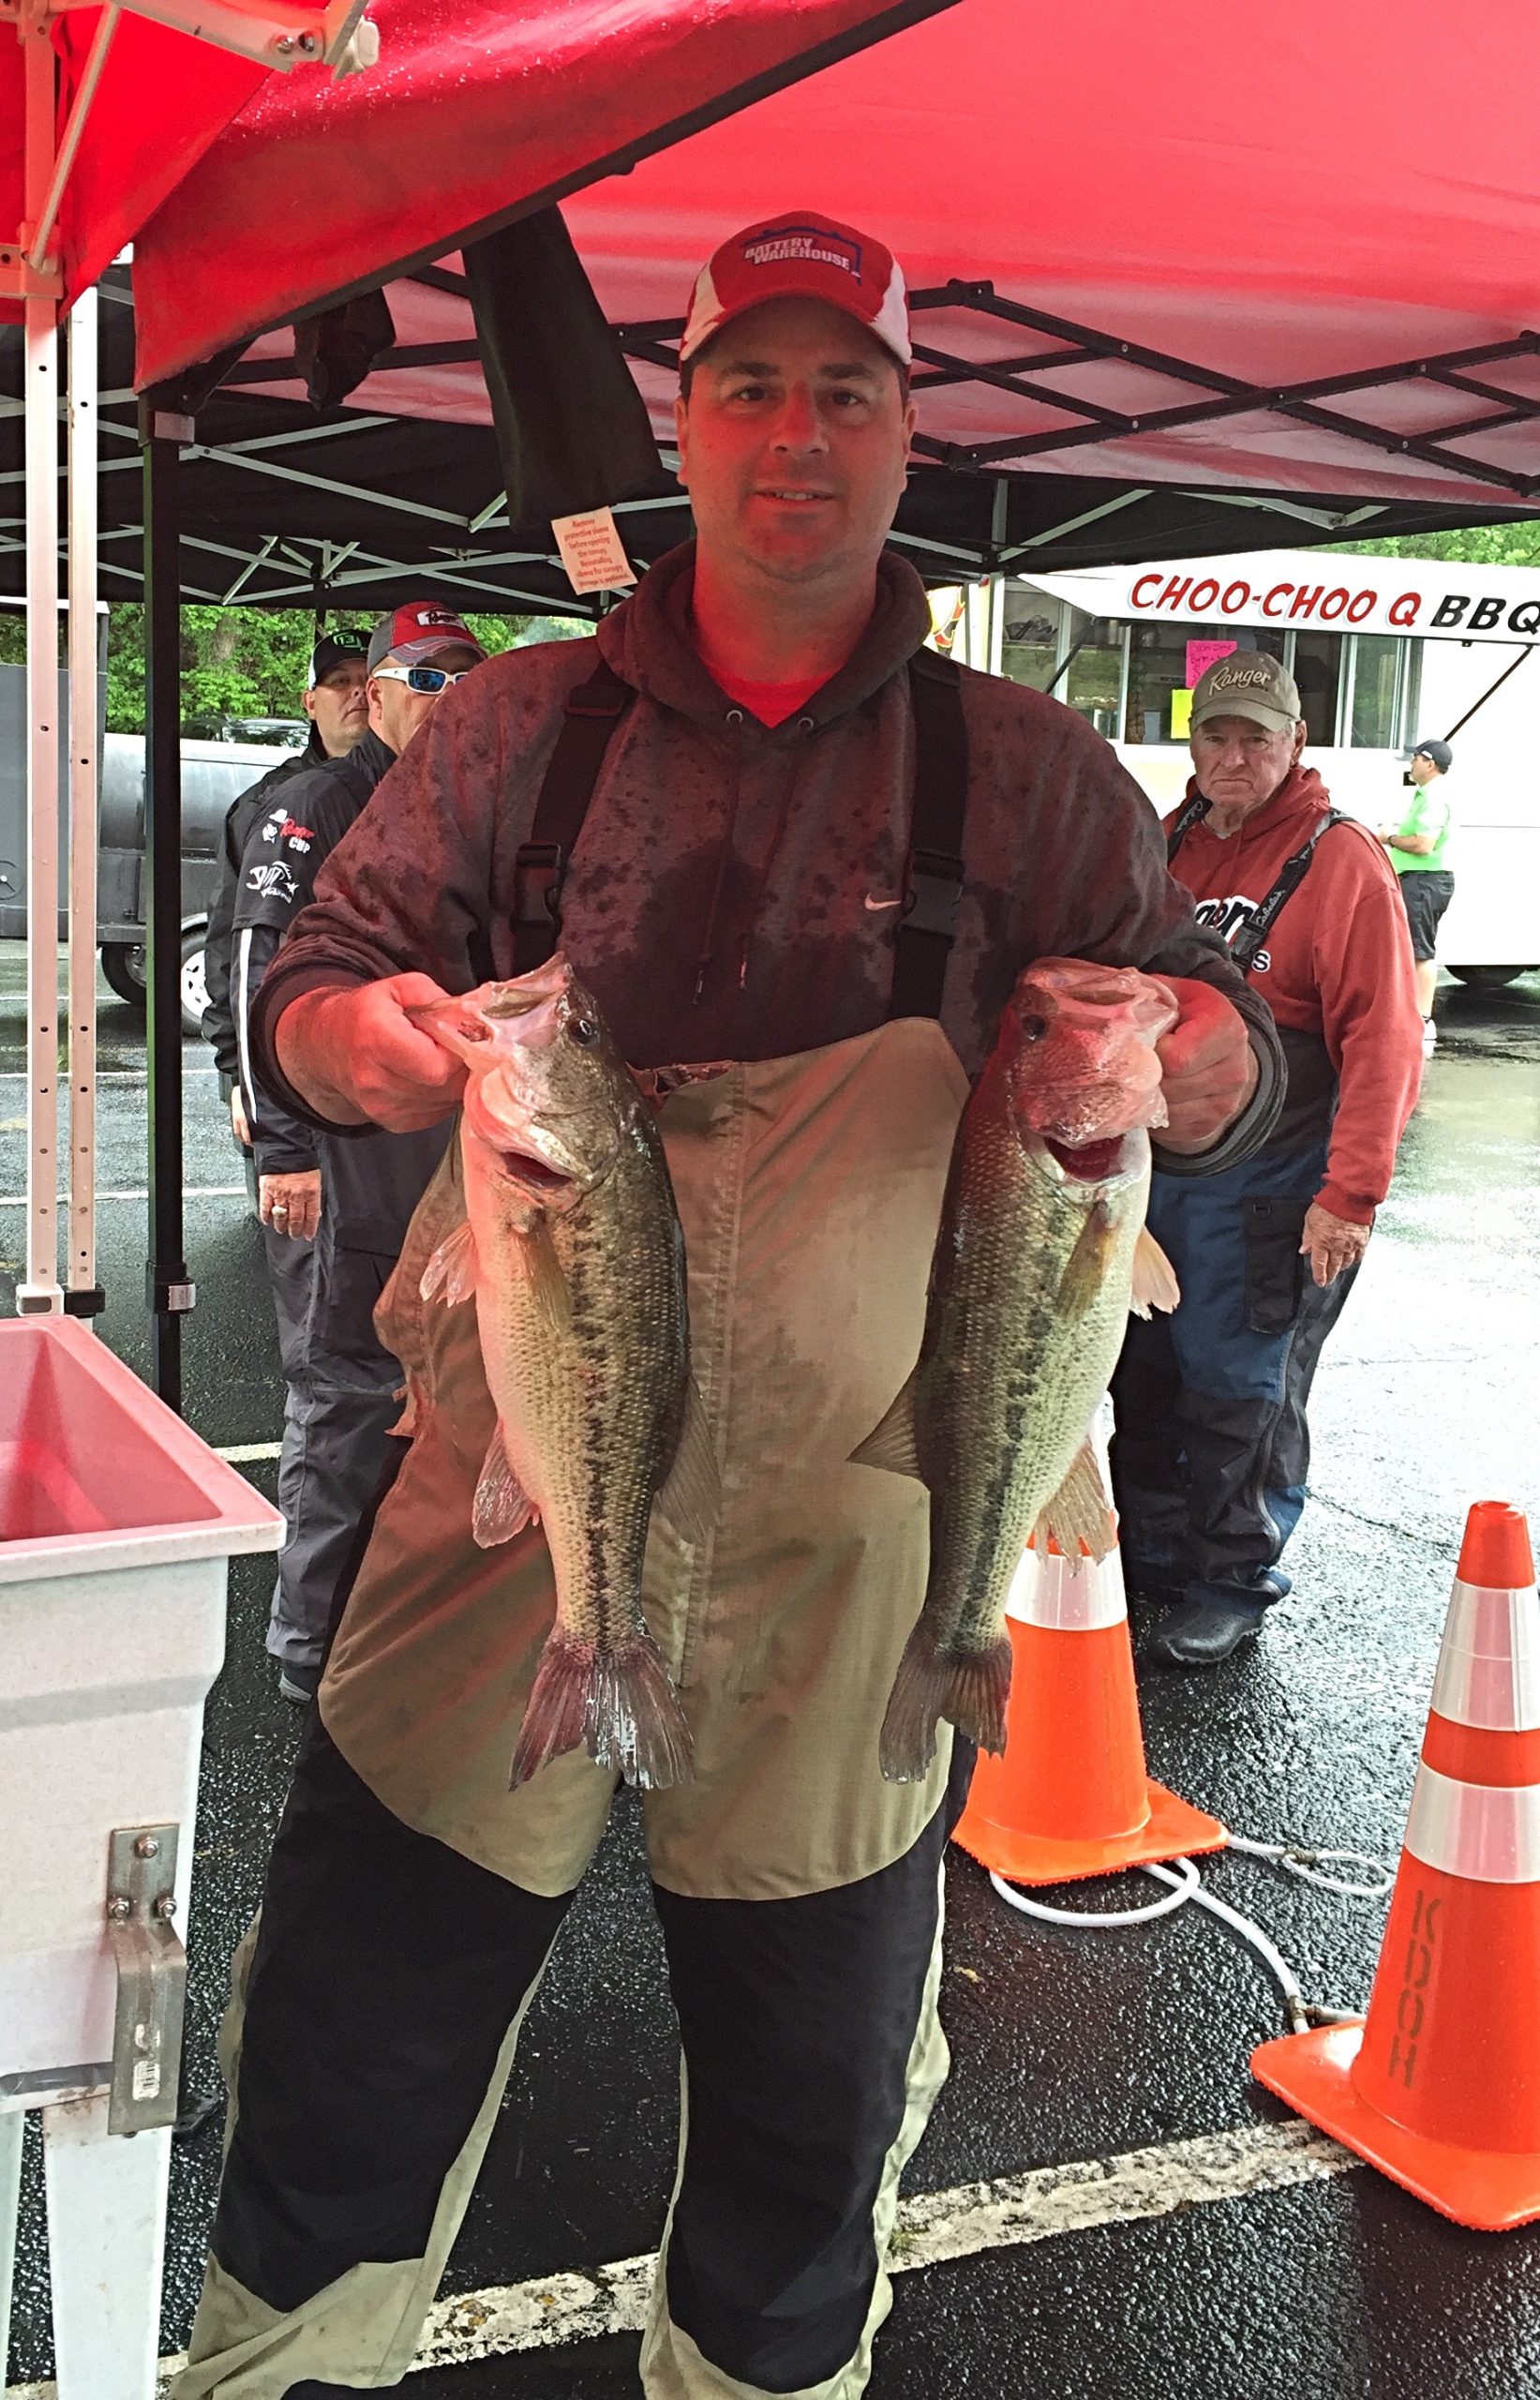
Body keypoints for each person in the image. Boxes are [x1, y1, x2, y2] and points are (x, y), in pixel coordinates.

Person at [174, 214, 1285, 2400]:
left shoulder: (1024, 770)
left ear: (904, 433)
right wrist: (349, 1039)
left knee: (809, 2089)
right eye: (748, 387)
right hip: (506, 1500)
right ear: (681, 425)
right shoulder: (516, 727)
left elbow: (1224, 1043)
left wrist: (1188, 1057)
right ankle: (283, 2364)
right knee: (348, 2034)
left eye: (841, 390)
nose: (795, 433)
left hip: (855, 1542)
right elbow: (313, 975)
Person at [1112, 650, 1424, 1670]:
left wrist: (1350, 1196)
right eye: (1216, 735)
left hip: (1276, 1185)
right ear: (1191, 743)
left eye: (1256, 737)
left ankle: (1230, 1581)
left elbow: (1383, 1039)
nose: (1234, 756)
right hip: (1161, 1171)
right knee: (1142, 1370)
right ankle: (1153, 1553)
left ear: (1295, 743)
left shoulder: (1341, 861)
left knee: (1238, 1383)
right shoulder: (1167, 841)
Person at [230, 601, 486, 1704]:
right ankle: (308, 1648)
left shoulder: (470, 805)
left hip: (438, 1158)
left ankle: (395, 1635)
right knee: (342, 1396)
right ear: (374, 693)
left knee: (438, 1394)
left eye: (466, 680)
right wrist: (283, 1146)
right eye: (427, 680)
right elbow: (253, 977)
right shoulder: (315, 806)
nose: (449, 700)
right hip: (335, 1160)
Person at [1379, 735, 1455, 1055]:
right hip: (1418, 880)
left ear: (1430, 763)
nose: (1411, 763)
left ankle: (1423, 1021)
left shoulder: (1434, 797)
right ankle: (1411, 1015)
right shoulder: (1425, 794)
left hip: (1425, 881)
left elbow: (1424, 844)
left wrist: (1390, 838)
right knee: (1411, 946)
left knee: (1420, 950)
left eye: (1416, 758)